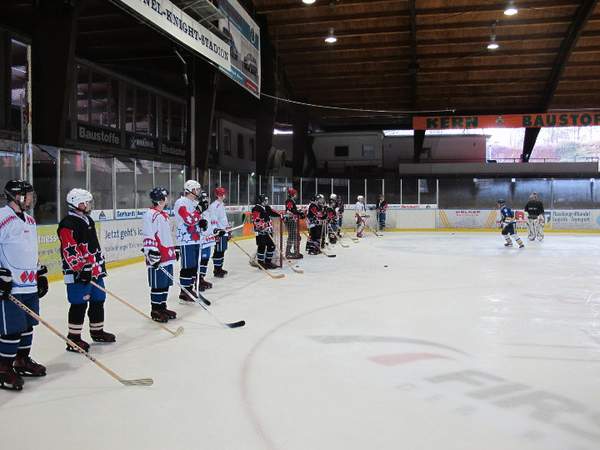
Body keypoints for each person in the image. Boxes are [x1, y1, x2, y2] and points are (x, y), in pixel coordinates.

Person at [0, 180, 48, 391]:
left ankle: (21, 360)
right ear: (16, 196)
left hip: (28, 284)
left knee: (28, 325)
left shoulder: (29, 220)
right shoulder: (3, 217)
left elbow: (30, 249)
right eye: (27, 195)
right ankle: (3, 368)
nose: (30, 199)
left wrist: (39, 272)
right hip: (11, 286)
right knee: (12, 329)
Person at [58, 188, 115, 353]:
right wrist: (80, 268)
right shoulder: (68, 224)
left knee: (99, 299)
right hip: (78, 274)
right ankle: (73, 338)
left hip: (94, 271)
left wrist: (97, 265)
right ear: (77, 203)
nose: (89, 205)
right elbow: (69, 249)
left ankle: (97, 331)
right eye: (86, 202)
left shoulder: (87, 220)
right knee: (79, 303)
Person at [142, 187, 178, 323]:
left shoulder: (163, 215)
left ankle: (162, 307)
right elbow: (148, 234)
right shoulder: (150, 215)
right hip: (157, 255)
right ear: (161, 199)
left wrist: (174, 249)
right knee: (157, 284)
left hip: (166, 255)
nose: (167, 199)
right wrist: (151, 252)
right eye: (165, 197)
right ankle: (155, 309)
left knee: (165, 283)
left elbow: (166, 236)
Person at [174, 180, 208, 302]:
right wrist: (199, 211)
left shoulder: (194, 202)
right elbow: (188, 219)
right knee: (187, 266)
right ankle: (184, 291)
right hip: (186, 239)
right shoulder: (181, 202)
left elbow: (197, 219)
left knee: (194, 265)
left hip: (195, 239)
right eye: (196, 189)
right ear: (190, 190)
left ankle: (190, 288)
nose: (198, 191)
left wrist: (203, 223)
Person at [252, 194, 281, 269]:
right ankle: (260, 263)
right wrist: (262, 226)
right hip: (261, 232)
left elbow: (273, 213)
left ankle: (268, 262)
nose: (266, 202)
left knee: (271, 245)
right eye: (265, 200)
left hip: (268, 230)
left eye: (266, 200)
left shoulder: (266, 207)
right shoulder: (256, 208)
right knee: (262, 246)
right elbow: (256, 220)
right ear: (261, 200)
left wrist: (281, 216)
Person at [208, 187, 230, 278]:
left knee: (222, 250)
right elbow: (213, 220)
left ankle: (220, 267)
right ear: (217, 195)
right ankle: (216, 269)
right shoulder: (214, 206)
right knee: (218, 251)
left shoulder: (221, 204)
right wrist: (216, 231)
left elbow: (223, 219)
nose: (223, 196)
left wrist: (228, 230)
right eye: (221, 194)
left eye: (223, 194)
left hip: (224, 232)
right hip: (219, 233)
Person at [284, 188, 304, 259]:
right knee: (293, 236)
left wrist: (299, 211)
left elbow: (293, 210)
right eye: (295, 193)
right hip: (290, 221)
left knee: (296, 236)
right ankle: (288, 252)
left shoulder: (291, 200)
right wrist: (299, 213)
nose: (296, 195)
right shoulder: (289, 201)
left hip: (292, 220)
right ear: (293, 194)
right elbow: (290, 210)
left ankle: (295, 252)